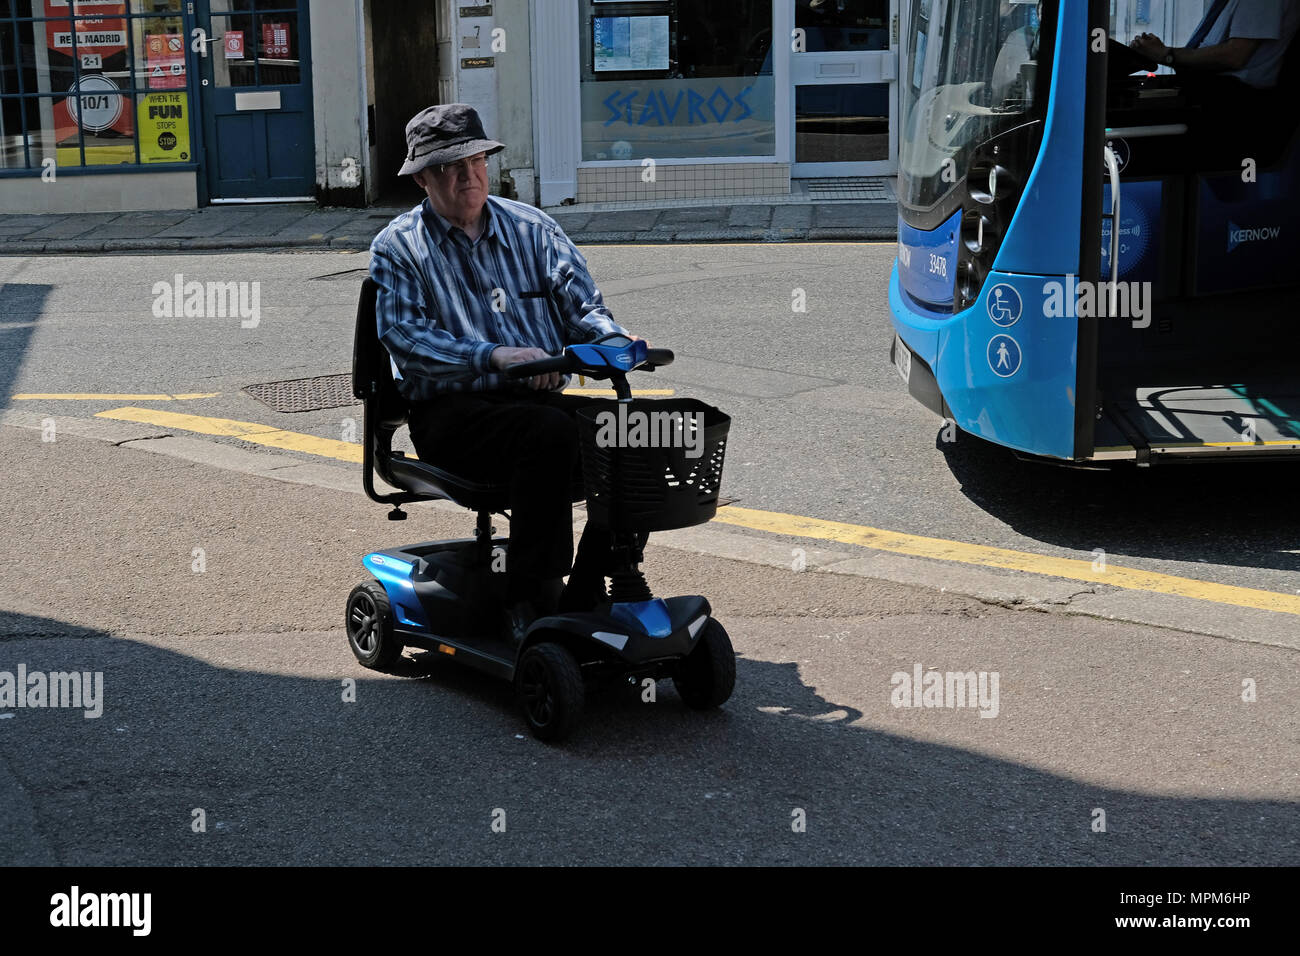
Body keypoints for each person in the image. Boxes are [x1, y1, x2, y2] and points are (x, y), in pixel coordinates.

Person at [368, 104, 637, 639]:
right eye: (448, 166)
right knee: (551, 434)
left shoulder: (534, 228)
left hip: (534, 404)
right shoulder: (398, 247)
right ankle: (530, 599)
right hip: (450, 412)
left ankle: (590, 584)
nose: (467, 175)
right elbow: (406, 339)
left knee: (634, 435)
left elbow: (583, 309)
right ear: (422, 178)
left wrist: (614, 343)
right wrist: (494, 356)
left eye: (475, 160)